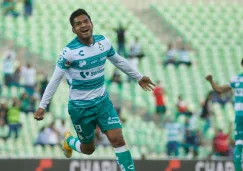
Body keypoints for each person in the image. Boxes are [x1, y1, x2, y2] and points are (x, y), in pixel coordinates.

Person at [34, 9, 155, 171]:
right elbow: (55, 79)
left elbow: (118, 60)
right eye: (78, 24)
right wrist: (43, 106)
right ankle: (69, 141)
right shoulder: (69, 52)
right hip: (80, 107)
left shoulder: (103, 42)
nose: (83, 25)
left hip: (102, 102)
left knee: (117, 139)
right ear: (73, 30)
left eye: (86, 21)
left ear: (91, 24)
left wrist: (139, 77)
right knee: (88, 149)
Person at [205, 59, 243, 171]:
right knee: (239, 145)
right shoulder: (236, 79)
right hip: (240, 116)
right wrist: (211, 81)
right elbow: (219, 89)